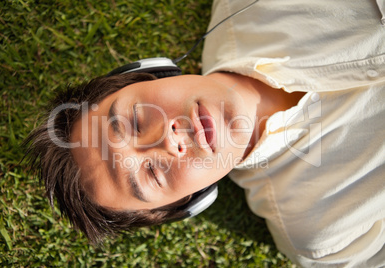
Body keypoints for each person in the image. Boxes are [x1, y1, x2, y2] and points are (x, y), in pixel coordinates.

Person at [24, 0, 385, 266]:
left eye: (135, 120)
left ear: (148, 73)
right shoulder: (328, 236)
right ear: (187, 202)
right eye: (151, 173)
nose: (167, 140)